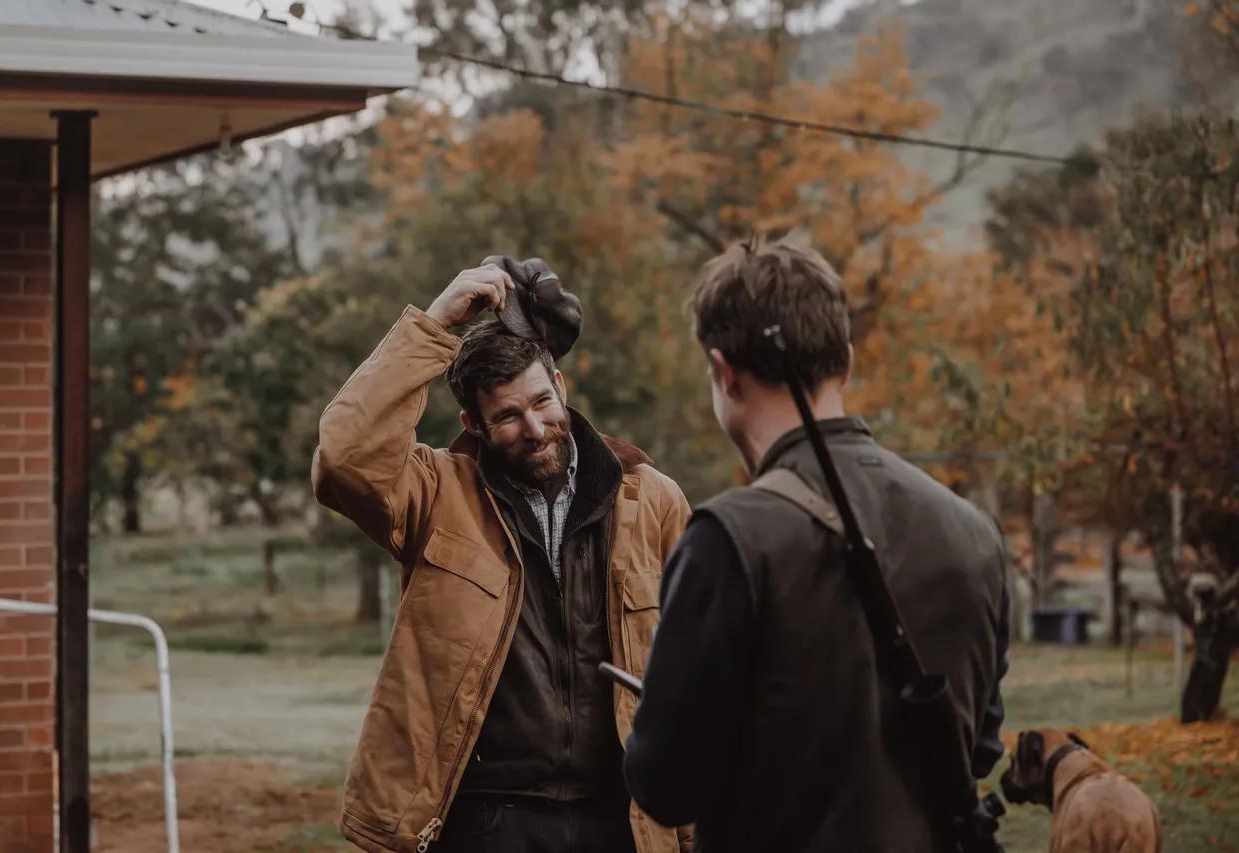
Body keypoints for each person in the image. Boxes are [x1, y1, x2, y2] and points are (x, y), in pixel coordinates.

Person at [623, 239, 1010, 852]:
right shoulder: (975, 530)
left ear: (724, 373)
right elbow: (980, 745)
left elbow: (667, 785)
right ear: (846, 362)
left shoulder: (728, 538)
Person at [312, 258, 692, 853]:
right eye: (508, 416)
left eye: (542, 402)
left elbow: (692, 666)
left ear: (560, 387)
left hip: (623, 819)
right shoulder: (435, 494)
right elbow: (344, 458)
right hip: (486, 822)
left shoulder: (652, 501)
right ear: (474, 423)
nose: (536, 428)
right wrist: (434, 325)